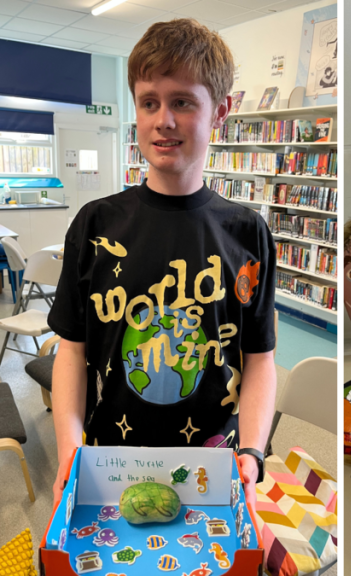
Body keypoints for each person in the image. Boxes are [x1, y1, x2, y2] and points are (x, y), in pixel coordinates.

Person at [48, 19, 278, 506]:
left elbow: (260, 360)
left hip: (216, 468)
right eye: (149, 102)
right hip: (110, 465)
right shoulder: (96, 225)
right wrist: (70, 450)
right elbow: (71, 352)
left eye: (183, 102)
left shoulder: (248, 233)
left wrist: (254, 451)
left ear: (221, 110)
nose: (163, 120)